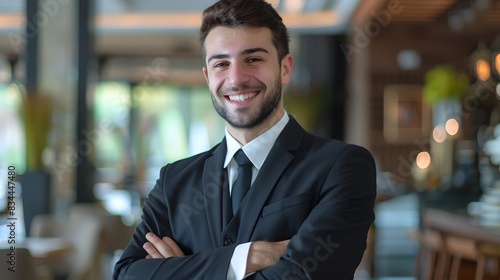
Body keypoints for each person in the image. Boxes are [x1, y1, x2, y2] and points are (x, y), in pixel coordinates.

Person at [113, 0, 376, 279]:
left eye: (253, 59)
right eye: (221, 64)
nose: (236, 78)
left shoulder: (343, 166)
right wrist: (249, 256)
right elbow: (128, 273)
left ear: (285, 68)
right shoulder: (174, 181)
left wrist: (183, 270)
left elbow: (306, 275)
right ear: (207, 76)